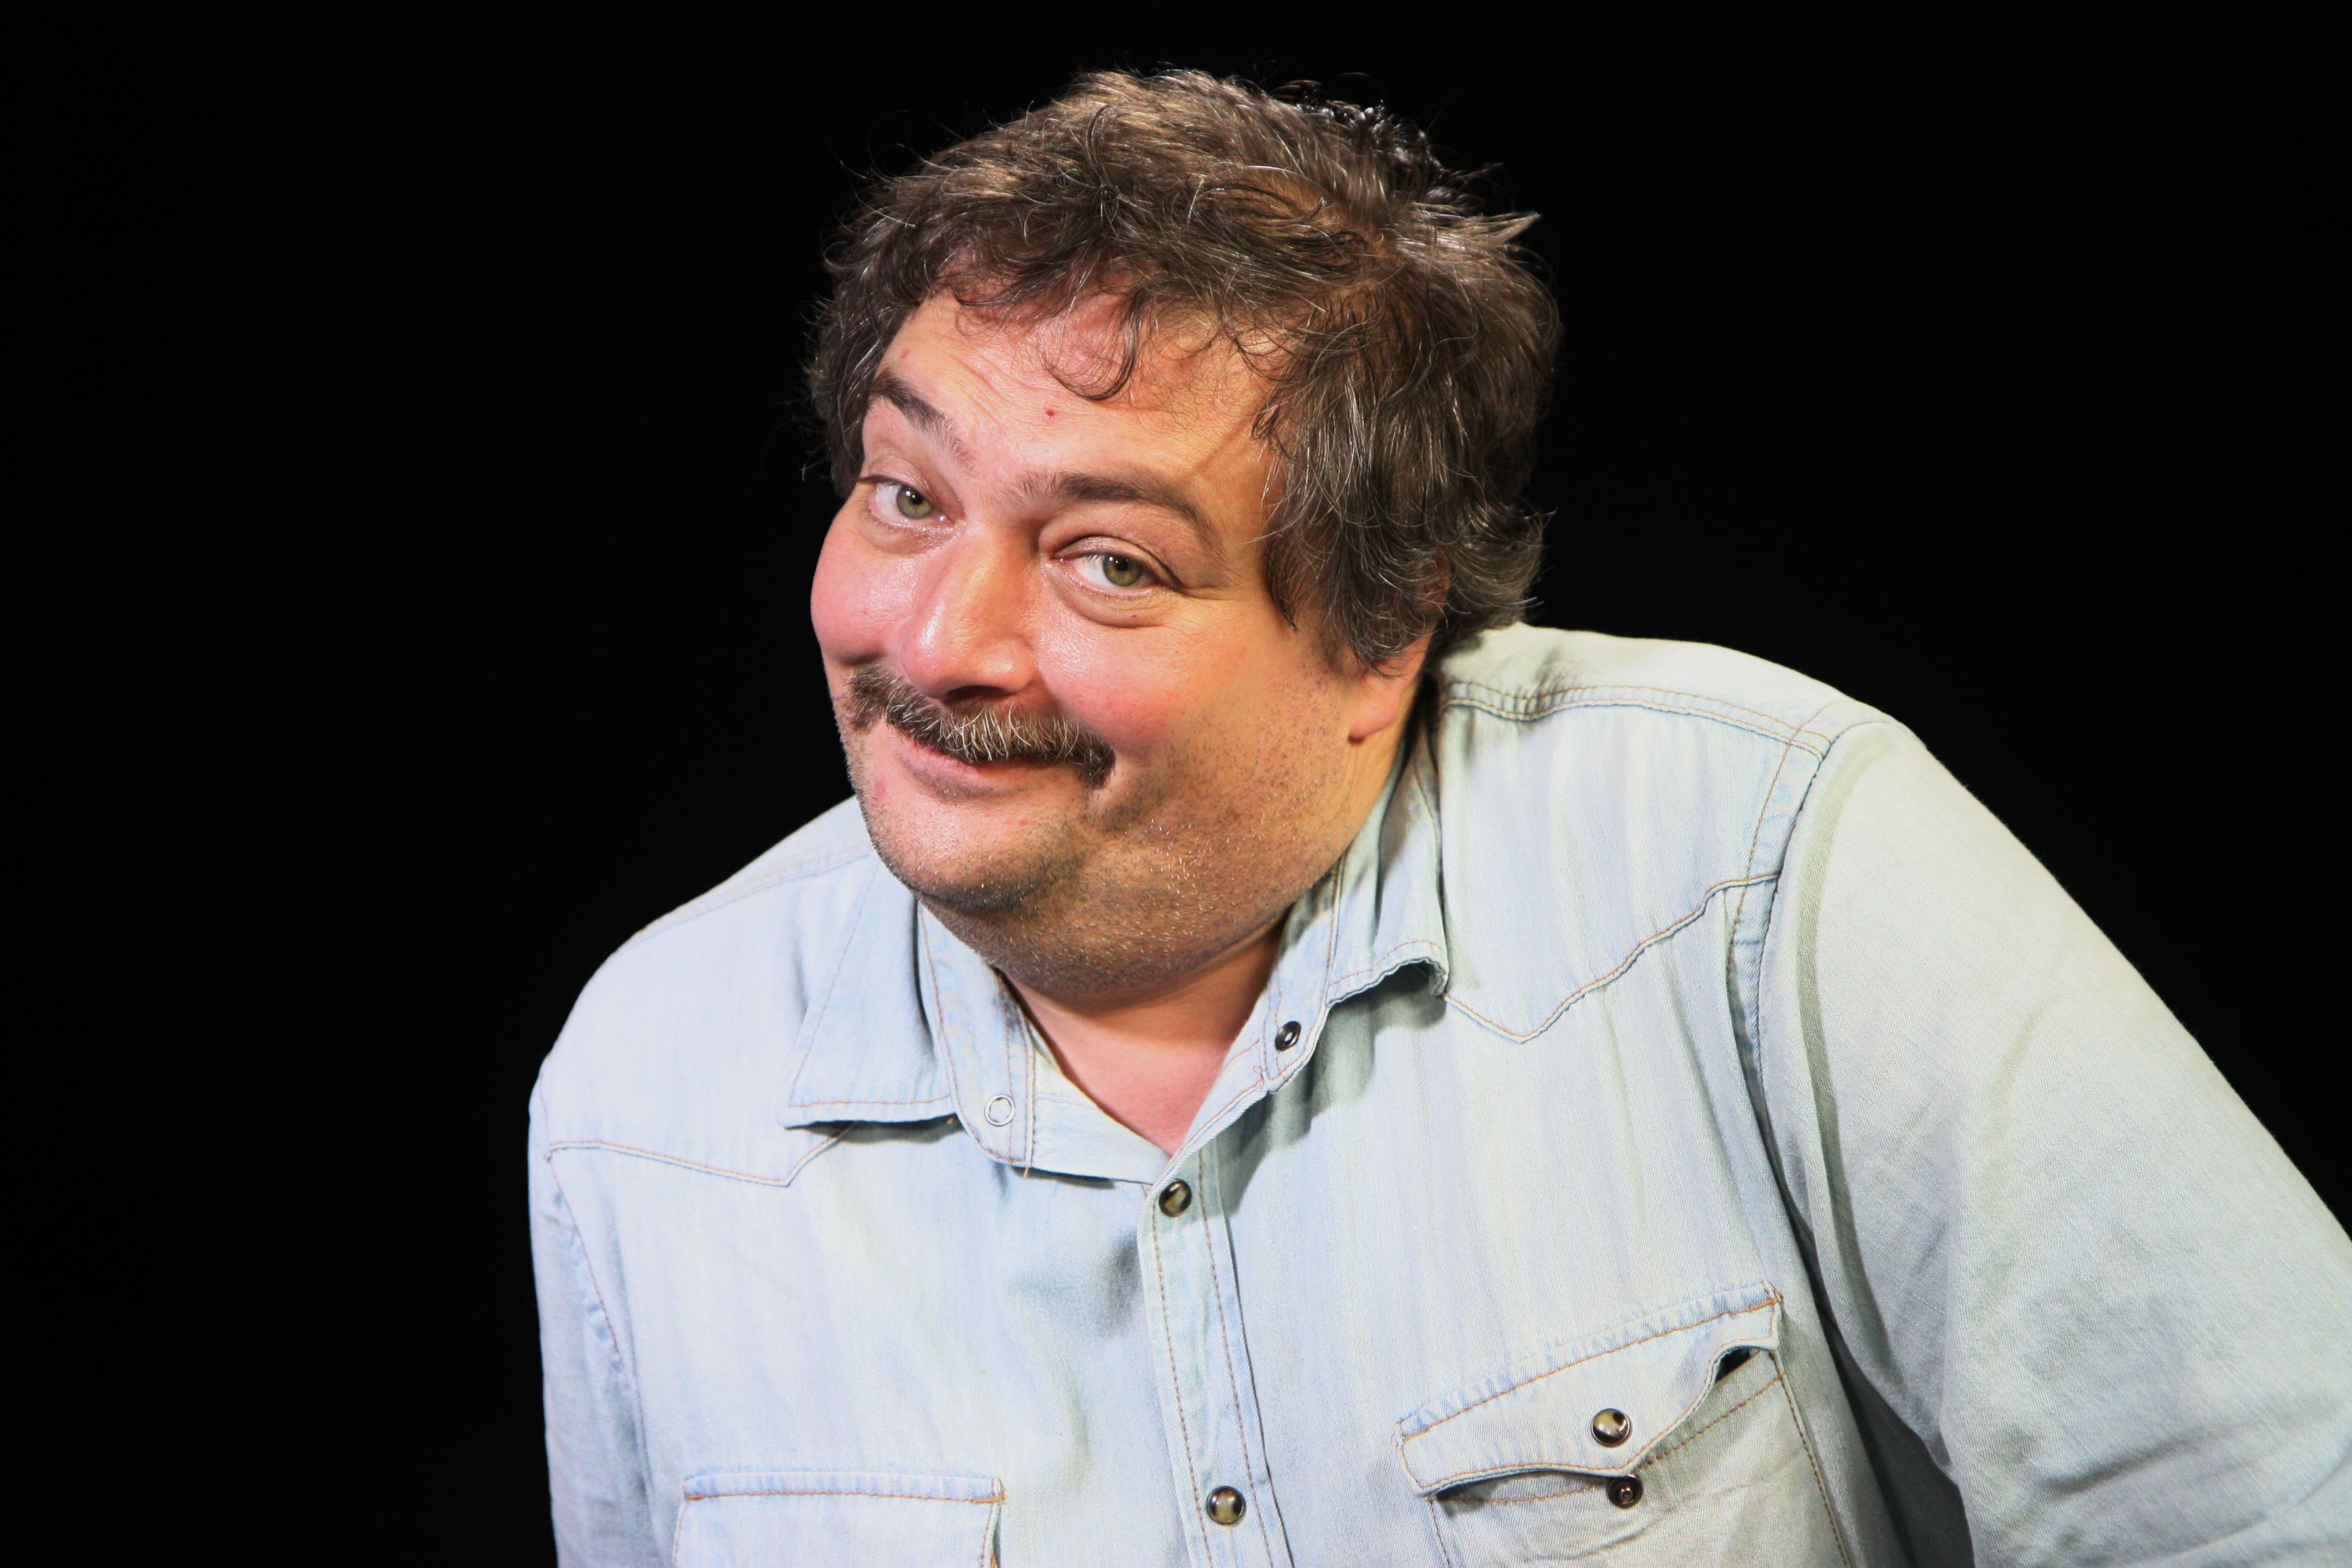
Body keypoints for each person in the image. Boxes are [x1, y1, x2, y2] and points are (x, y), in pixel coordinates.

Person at [529, 70, 2349, 1565]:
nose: (938, 642)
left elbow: (2267, 1519)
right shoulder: (645, 1093)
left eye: (1109, 561)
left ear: (1381, 638)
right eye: (907, 497)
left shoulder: (1760, 866)